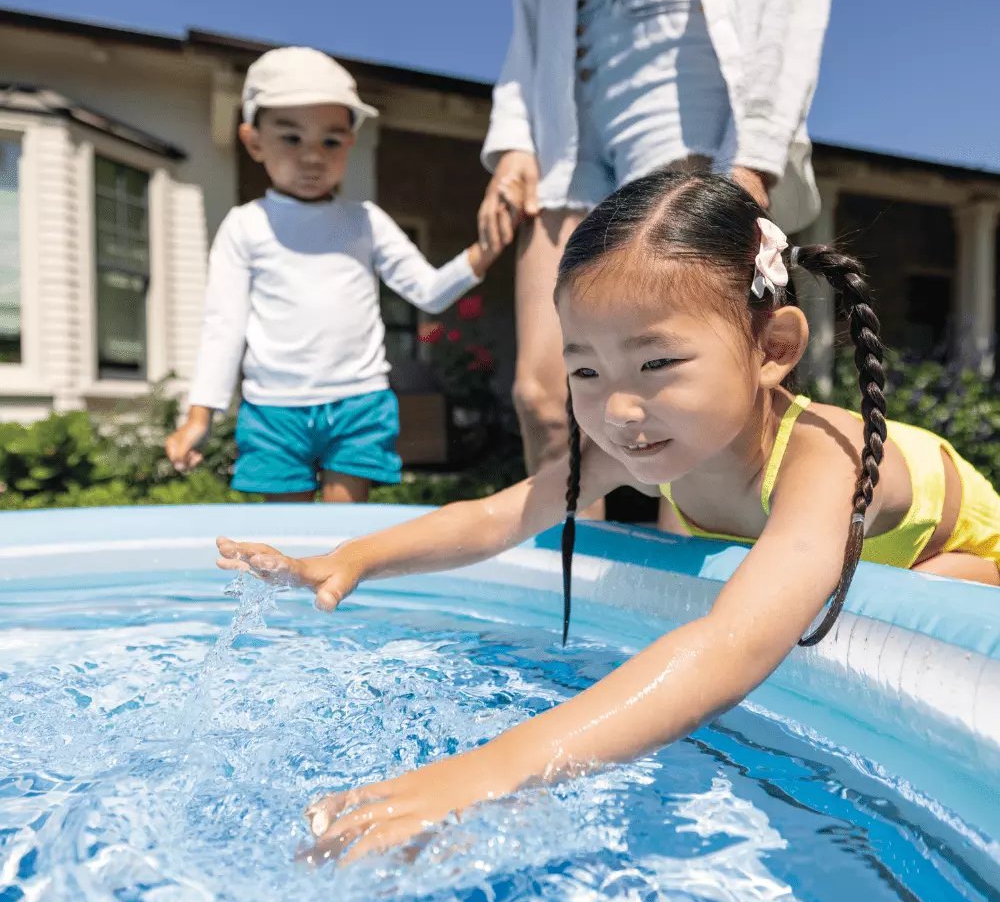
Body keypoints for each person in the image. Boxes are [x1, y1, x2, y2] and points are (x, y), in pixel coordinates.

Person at [216, 172, 1000, 864]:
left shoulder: (822, 454)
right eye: (586, 370)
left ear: (773, 348)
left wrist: (490, 770)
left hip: (964, 574)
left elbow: (731, 645)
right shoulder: (649, 437)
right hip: (828, 570)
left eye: (658, 363)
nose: (619, 409)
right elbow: (495, 517)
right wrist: (354, 558)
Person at [477, 0, 836, 491]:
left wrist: (754, 157)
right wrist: (515, 143)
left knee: (686, 401)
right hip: (562, 98)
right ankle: (570, 548)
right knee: (544, 396)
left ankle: (690, 545)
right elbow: (527, 30)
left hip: (685, 78)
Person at [165, 47, 509, 502]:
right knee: (285, 535)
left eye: (330, 141)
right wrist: (199, 415)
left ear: (350, 142)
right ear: (254, 142)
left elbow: (427, 292)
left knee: (344, 531)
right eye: (291, 138)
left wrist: (483, 253)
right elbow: (223, 326)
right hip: (273, 408)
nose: (312, 156)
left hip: (358, 402)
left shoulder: (365, 221)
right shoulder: (245, 226)